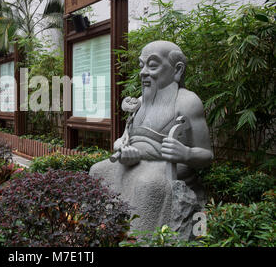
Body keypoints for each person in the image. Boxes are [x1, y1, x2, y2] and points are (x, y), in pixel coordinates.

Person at [90, 40, 213, 238]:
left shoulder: (187, 101)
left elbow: (206, 155)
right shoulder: (140, 102)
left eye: (152, 65)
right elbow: (122, 139)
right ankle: (102, 231)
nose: (143, 72)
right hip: (137, 161)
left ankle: (141, 238)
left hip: (167, 165)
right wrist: (122, 149)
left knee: (148, 183)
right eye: (142, 65)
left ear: (177, 70)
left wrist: (186, 153)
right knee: (98, 170)